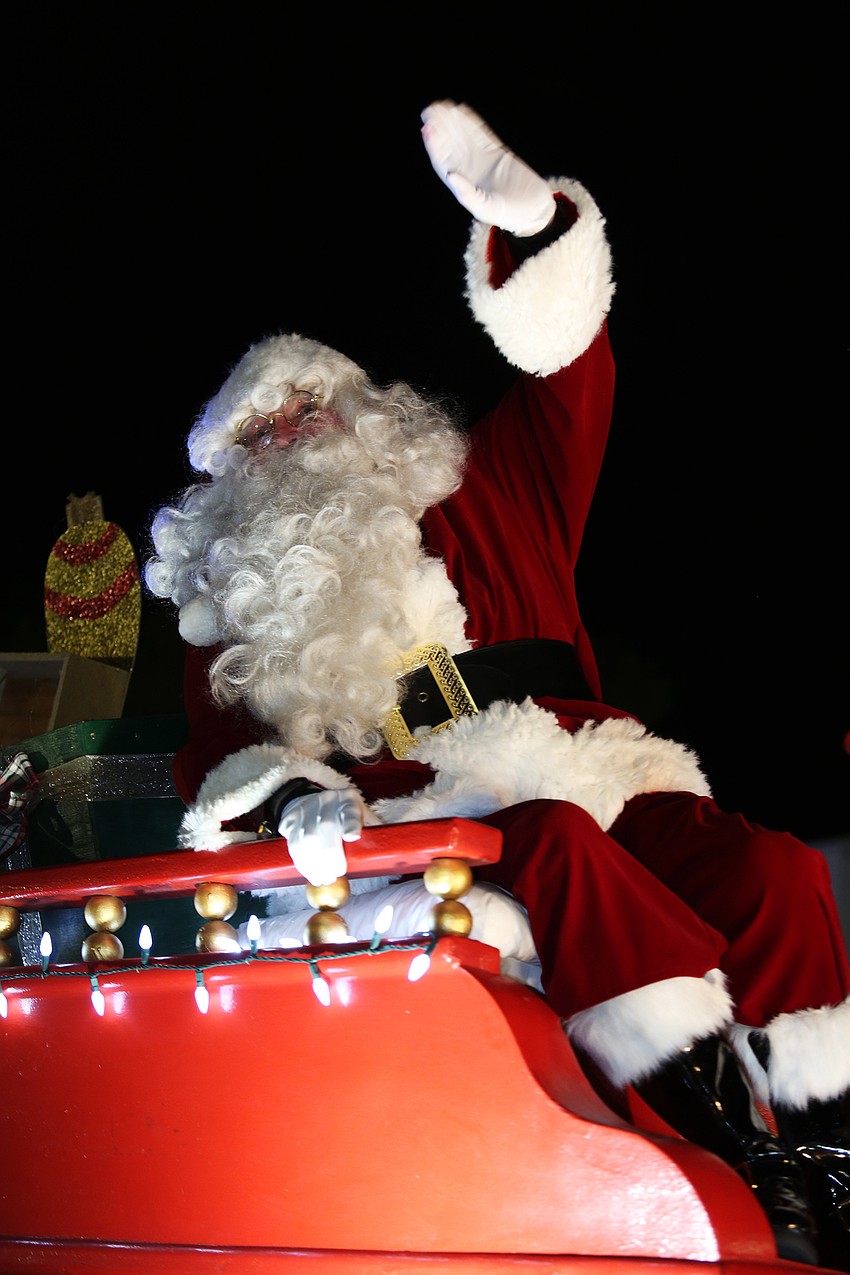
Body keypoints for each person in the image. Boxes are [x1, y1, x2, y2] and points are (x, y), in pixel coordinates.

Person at [144, 100, 849, 1269]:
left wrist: (532, 235)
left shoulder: (492, 490)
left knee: (767, 870)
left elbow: (571, 380)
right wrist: (283, 796)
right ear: (231, 476)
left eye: (310, 407)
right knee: (559, 850)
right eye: (261, 433)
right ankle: (726, 1153)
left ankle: (822, 1140)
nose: (292, 437)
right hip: (418, 809)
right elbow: (214, 760)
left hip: (595, 760)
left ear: (368, 414)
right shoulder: (240, 610)